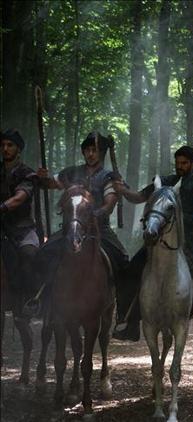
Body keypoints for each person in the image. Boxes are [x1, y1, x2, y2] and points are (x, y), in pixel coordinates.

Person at [111, 145, 193, 341]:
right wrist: (123, 190)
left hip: (191, 237)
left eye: (184, 163)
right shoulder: (164, 183)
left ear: (192, 163)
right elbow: (138, 197)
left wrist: (176, 219)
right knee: (131, 270)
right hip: (160, 237)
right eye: (178, 163)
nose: (180, 166)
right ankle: (128, 321)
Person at [34, 132, 129, 312]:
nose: (91, 154)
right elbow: (49, 184)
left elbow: (109, 205)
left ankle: (120, 308)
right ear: (83, 152)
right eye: (87, 150)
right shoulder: (72, 172)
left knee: (122, 259)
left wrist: (94, 214)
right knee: (44, 253)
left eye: (95, 150)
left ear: (101, 153)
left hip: (99, 229)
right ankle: (42, 301)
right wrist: (42, 178)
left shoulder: (109, 177)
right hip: (71, 228)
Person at [1, 129, 41, 316]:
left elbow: (19, 198)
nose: (5, 149)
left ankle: (29, 300)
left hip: (22, 230)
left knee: (29, 254)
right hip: (1, 228)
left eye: (10, 145)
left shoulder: (27, 174)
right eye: (2, 145)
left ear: (18, 149)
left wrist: (2, 207)